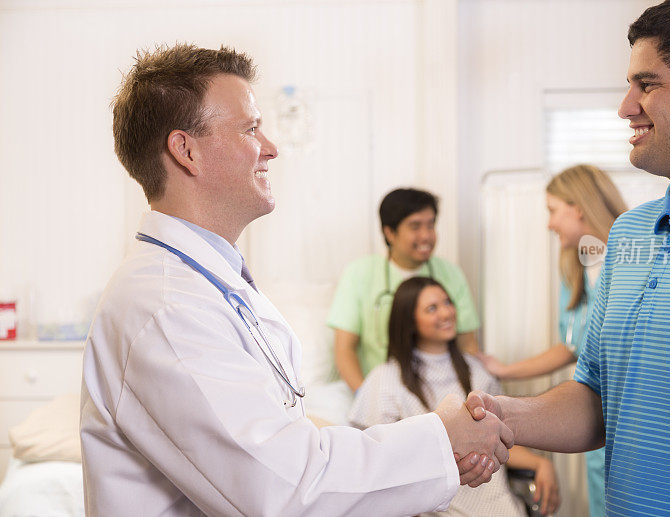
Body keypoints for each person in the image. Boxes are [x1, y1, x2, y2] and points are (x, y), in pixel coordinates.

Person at [79, 43, 510, 516]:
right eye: (251, 128)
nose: (271, 148)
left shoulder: (209, 284)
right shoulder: (164, 308)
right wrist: (438, 435)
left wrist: (436, 447)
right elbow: (284, 489)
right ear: (186, 151)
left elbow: (278, 443)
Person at [464, 0, 670, 516]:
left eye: (647, 84)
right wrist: (495, 414)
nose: (625, 108)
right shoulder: (628, 236)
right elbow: (597, 399)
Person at [478, 164, 626, 516]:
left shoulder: (632, 260)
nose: (549, 224)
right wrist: (505, 370)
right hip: (593, 414)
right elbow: (572, 346)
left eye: (552, 211)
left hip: (631, 415)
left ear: (578, 206)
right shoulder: (575, 269)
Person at [349, 277, 560, 516]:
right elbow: (375, 462)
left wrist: (541, 463)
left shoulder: (478, 372)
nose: (446, 312)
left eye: (448, 302)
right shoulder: (386, 379)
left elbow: (501, 442)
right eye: (432, 308)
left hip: (497, 504)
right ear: (409, 320)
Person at [328, 188, 480, 392]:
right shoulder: (359, 273)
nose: (426, 236)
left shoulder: (450, 274)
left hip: (442, 391)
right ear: (389, 232)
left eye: (431, 224)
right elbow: (344, 349)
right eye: (415, 226)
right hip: (381, 391)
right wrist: (368, 399)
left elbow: (468, 345)